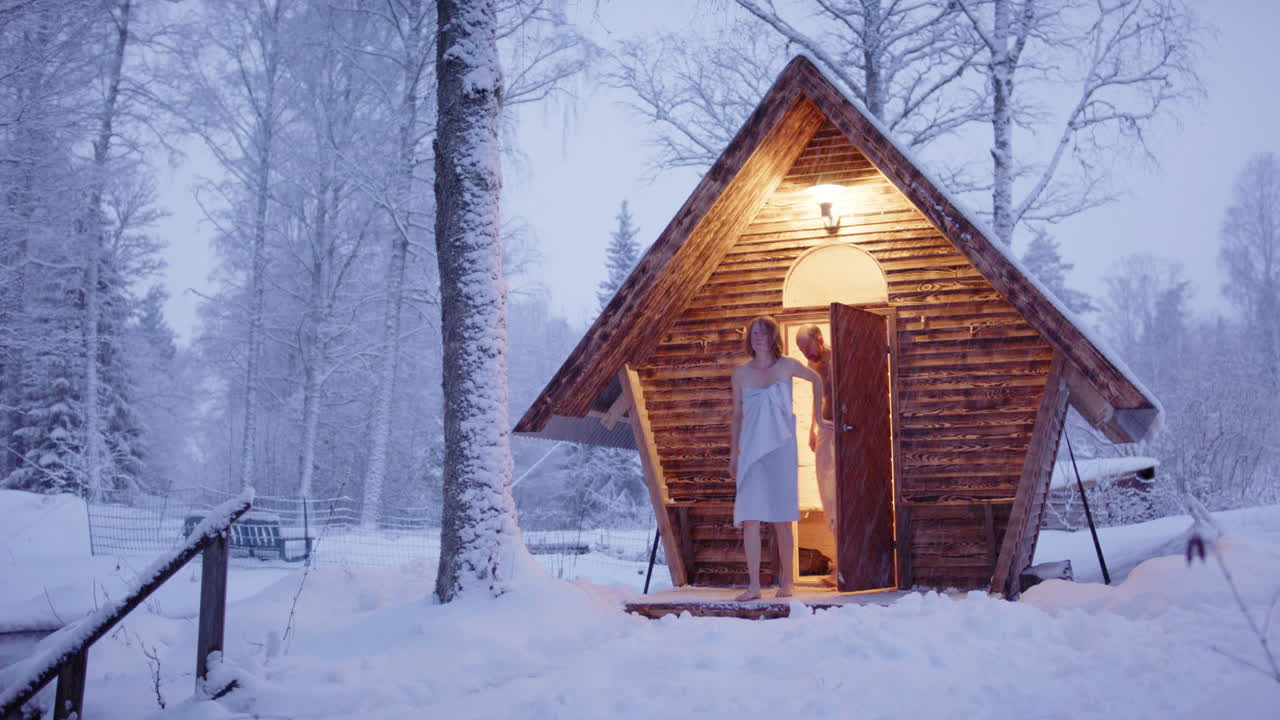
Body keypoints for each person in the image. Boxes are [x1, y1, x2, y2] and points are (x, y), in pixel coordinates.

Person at [729, 316, 831, 601]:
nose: (757, 338)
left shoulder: (787, 365)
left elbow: (816, 379)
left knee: (782, 518)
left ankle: (787, 583)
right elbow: (737, 415)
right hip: (751, 449)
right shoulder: (740, 373)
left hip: (781, 449)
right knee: (750, 516)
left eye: (763, 333)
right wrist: (733, 452)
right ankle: (753, 586)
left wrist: (820, 420)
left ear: (773, 337)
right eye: (754, 333)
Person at [796, 325, 837, 534]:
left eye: (807, 348)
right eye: (802, 350)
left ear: (819, 339)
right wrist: (811, 429)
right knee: (826, 482)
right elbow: (817, 395)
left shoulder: (840, 356)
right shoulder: (812, 365)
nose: (806, 354)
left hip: (845, 427)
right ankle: (833, 528)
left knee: (844, 483)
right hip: (824, 427)